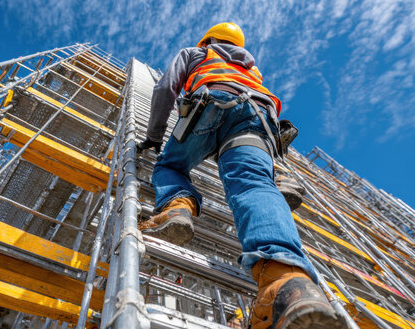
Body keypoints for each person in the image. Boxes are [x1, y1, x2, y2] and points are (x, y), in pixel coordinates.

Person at [137, 23, 346, 329]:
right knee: (254, 184)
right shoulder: (252, 70)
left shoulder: (198, 52)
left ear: (209, 39)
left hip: (210, 106)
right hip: (258, 119)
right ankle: (286, 283)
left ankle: (177, 208)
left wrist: (154, 136)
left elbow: (165, 86)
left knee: (170, 166)